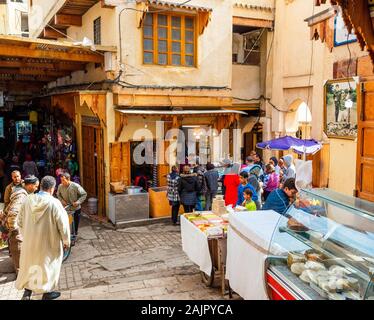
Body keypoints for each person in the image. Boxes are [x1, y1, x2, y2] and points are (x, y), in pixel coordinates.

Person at [16, 176, 70, 300]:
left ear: (40, 186)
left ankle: (27, 293)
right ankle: (47, 293)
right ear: (52, 189)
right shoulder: (54, 203)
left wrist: (27, 234)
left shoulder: (28, 200)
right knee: (48, 266)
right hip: (48, 243)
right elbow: (64, 225)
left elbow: (19, 221)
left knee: (30, 265)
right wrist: (66, 241)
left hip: (30, 242)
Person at [3, 176, 39, 274]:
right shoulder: (21, 196)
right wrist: (14, 230)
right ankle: (20, 274)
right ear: (30, 186)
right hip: (15, 229)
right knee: (18, 252)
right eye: (36, 186)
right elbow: (13, 213)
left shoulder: (23, 194)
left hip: (17, 227)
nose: (36, 189)